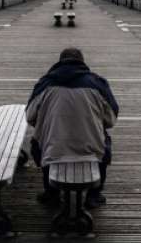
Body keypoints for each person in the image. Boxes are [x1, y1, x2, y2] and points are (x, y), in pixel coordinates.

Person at [27, 47, 119, 209]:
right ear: (82, 63)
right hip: (90, 149)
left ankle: (51, 193)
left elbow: (30, 117)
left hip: (52, 149)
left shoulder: (45, 83)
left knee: (41, 140)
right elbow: (110, 120)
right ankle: (94, 195)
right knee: (104, 141)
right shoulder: (97, 84)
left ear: (59, 62)